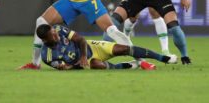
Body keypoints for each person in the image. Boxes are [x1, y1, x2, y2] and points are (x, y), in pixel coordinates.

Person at [37, 24, 177, 70]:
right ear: (45, 40)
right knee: (100, 66)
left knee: (124, 49)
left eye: (55, 33)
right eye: (53, 35)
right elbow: (65, 67)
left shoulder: (58, 29)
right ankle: (132, 65)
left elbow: (80, 39)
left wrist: (84, 55)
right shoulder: (47, 56)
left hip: (92, 47)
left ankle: (163, 58)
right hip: (85, 63)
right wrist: (73, 66)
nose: (56, 35)